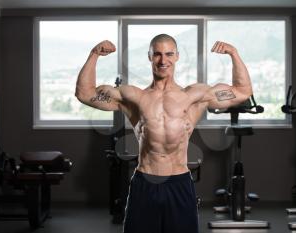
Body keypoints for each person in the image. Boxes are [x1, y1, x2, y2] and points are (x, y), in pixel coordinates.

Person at [75, 34, 252, 233]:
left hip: (179, 183)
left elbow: (243, 91)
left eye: (168, 54)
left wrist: (234, 54)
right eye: (157, 54)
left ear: (176, 56)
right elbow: (85, 93)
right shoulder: (133, 96)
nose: (163, 60)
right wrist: (94, 55)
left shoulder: (194, 95)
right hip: (144, 183)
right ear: (149, 56)